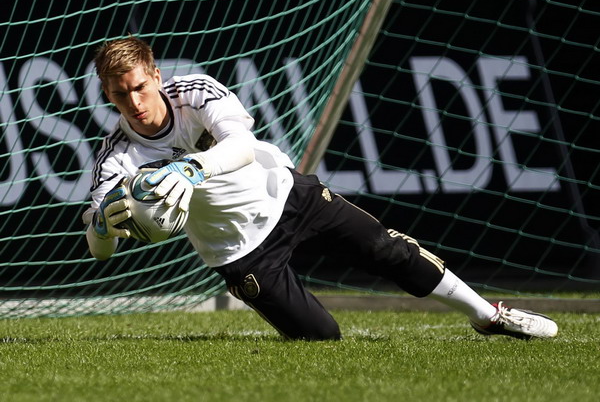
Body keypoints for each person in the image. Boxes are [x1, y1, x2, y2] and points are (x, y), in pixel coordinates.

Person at [83, 36, 558, 341]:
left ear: (157, 76)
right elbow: (99, 248)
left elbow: (243, 146)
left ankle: (490, 315)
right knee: (319, 338)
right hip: (239, 250)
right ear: (107, 94)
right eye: (120, 94)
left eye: (140, 87)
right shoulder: (118, 155)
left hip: (287, 195)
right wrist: (103, 225)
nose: (134, 101)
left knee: (388, 251)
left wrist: (191, 170)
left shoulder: (196, 93)